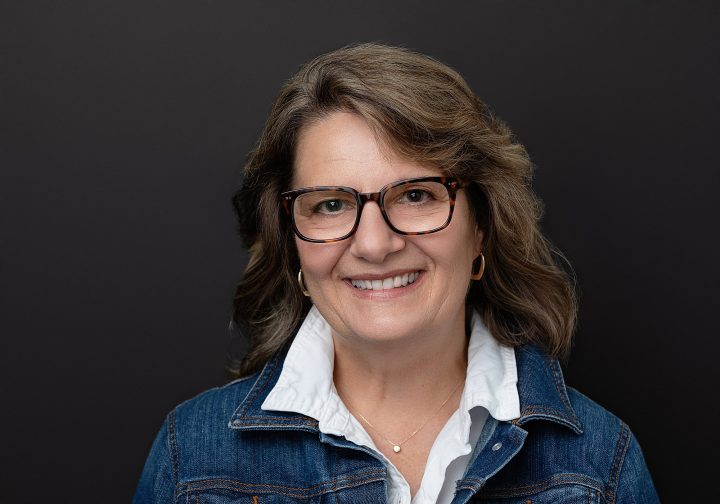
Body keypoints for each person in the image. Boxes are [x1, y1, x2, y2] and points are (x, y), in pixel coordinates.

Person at [134, 43, 659, 503]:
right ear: (291, 242)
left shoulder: (598, 462)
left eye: (415, 195)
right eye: (331, 205)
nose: (375, 244)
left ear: (482, 227)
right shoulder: (194, 460)